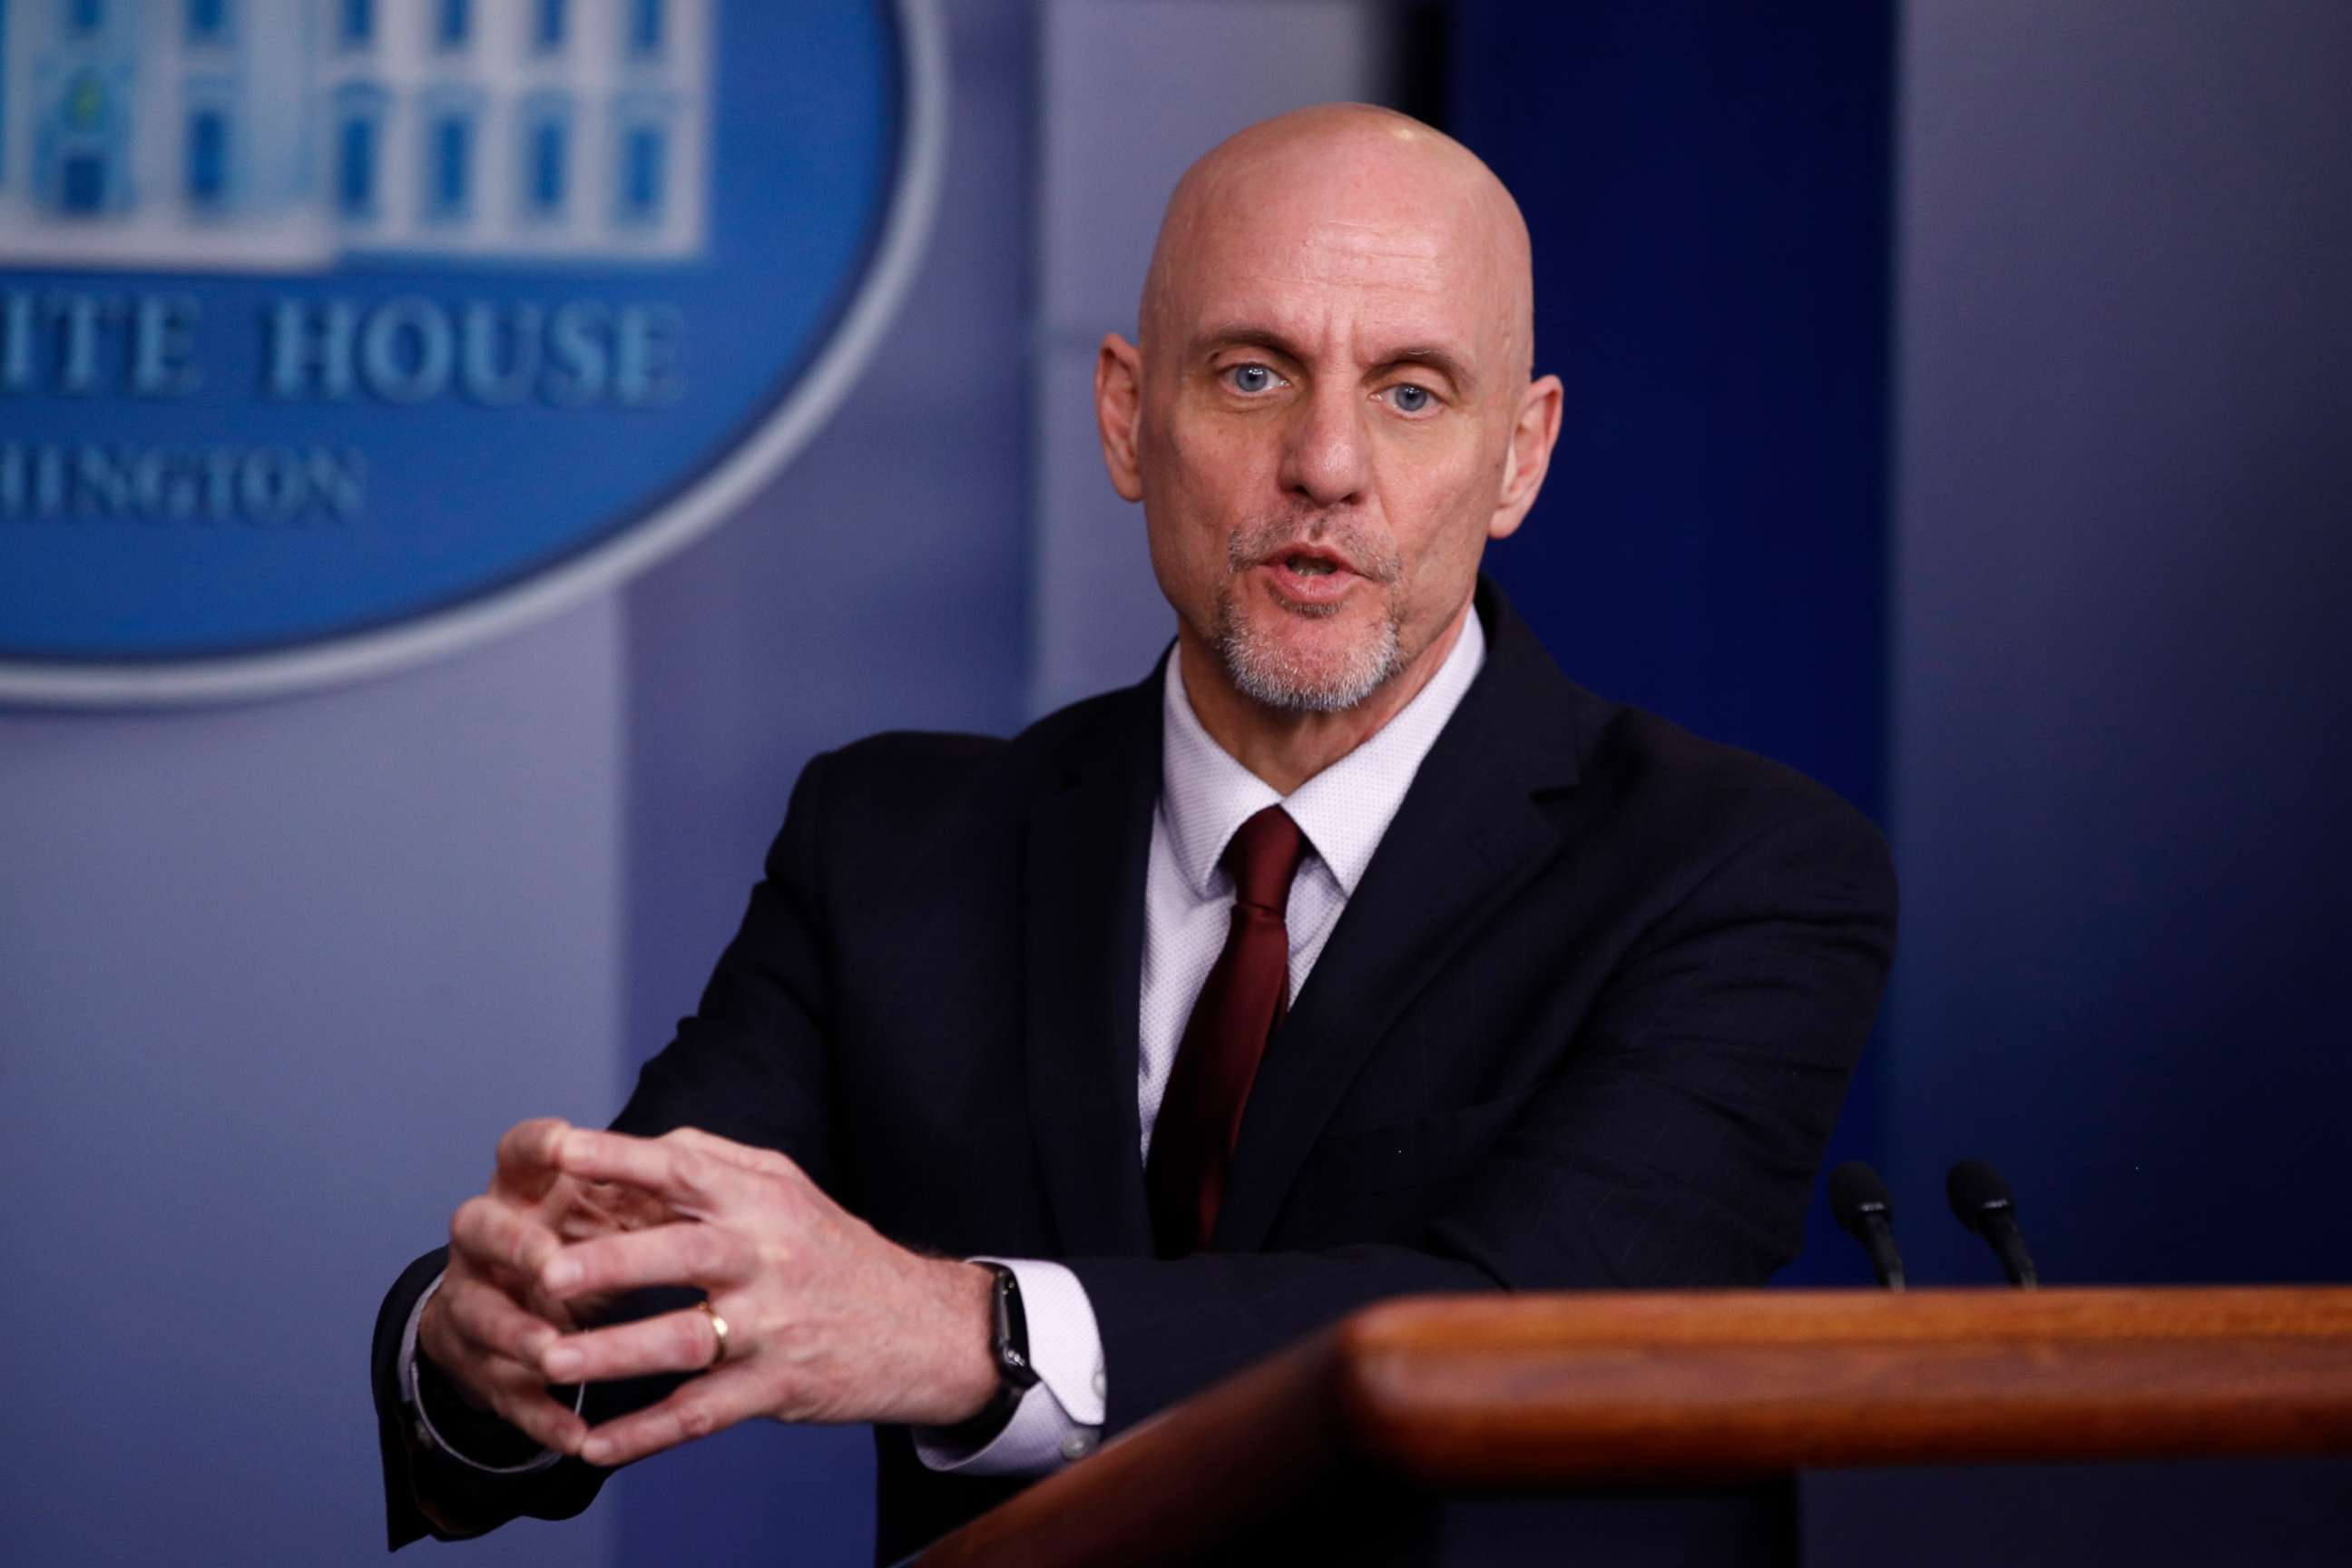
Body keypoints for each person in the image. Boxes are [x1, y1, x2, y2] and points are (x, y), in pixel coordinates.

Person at [371, 103, 1896, 1563]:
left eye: (1412, 393)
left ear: (1521, 456)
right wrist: (489, 1333)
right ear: (1124, 415)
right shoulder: (892, 843)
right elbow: (633, 1291)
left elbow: (1531, 1338)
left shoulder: (1739, 871)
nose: (1328, 464)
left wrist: (966, 1332)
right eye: (1251, 376)